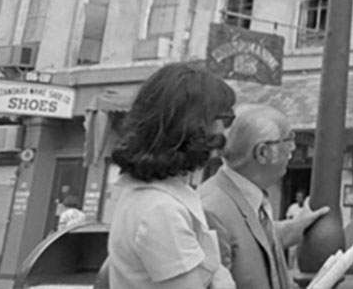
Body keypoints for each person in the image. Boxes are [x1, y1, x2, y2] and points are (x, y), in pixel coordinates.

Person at [106, 62, 238, 288]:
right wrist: (221, 277)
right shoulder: (161, 209)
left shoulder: (149, 194)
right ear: (193, 125)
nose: (223, 130)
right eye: (223, 118)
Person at [199, 104, 329, 289]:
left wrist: (295, 227)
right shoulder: (212, 211)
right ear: (262, 152)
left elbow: (253, 242)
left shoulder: (252, 198)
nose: (292, 149)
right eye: (288, 140)